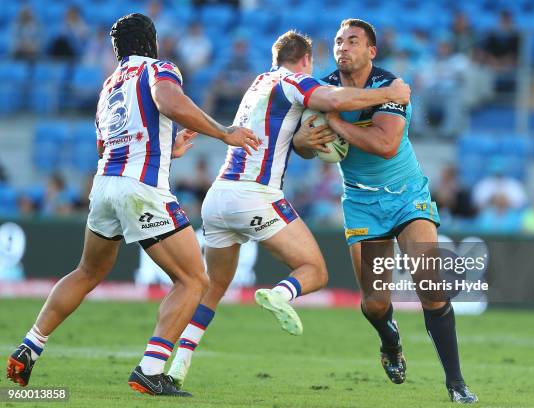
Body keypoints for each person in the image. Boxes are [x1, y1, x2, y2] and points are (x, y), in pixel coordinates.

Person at [6, 13, 258, 397]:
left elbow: (107, 146)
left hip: (105, 184)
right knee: (194, 280)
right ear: (151, 42)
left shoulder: (108, 86)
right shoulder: (160, 68)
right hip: (141, 187)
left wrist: (165, 150)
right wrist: (224, 131)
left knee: (87, 272)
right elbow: (168, 101)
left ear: (117, 49)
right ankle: (151, 369)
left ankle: (30, 345)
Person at [165, 30, 412, 388]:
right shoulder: (293, 80)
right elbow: (334, 98)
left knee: (212, 286)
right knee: (314, 269)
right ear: (306, 60)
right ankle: (279, 294)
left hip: (218, 196)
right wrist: (388, 93)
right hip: (255, 193)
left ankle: (175, 366)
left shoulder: (259, 83)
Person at [292, 19, 477, 403]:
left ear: (371, 51)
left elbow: (387, 144)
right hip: (361, 203)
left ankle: (456, 383)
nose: (343, 47)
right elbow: (301, 144)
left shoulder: (389, 87)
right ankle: (390, 340)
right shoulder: (323, 88)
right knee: (375, 302)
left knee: (431, 286)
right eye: (339, 41)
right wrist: (304, 140)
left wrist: (337, 123)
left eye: (353, 41)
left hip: (407, 197)